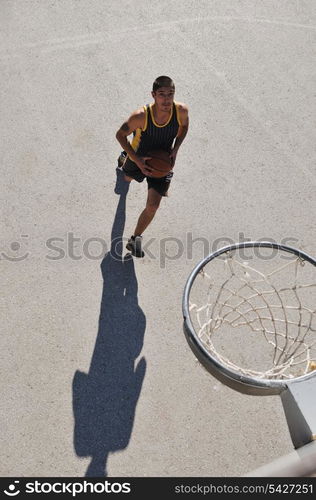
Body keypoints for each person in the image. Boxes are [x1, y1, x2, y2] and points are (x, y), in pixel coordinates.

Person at [115, 75, 189, 257]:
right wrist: (137, 160)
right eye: (162, 94)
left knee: (153, 206)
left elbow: (185, 127)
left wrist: (176, 148)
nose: (166, 99)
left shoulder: (181, 111)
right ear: (153, 95)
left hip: (161, 163)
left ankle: (135, 239)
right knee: (127, 179)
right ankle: (125, 158)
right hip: (138, 156)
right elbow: (120, 135)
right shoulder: (140, 116)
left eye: (170, 94)